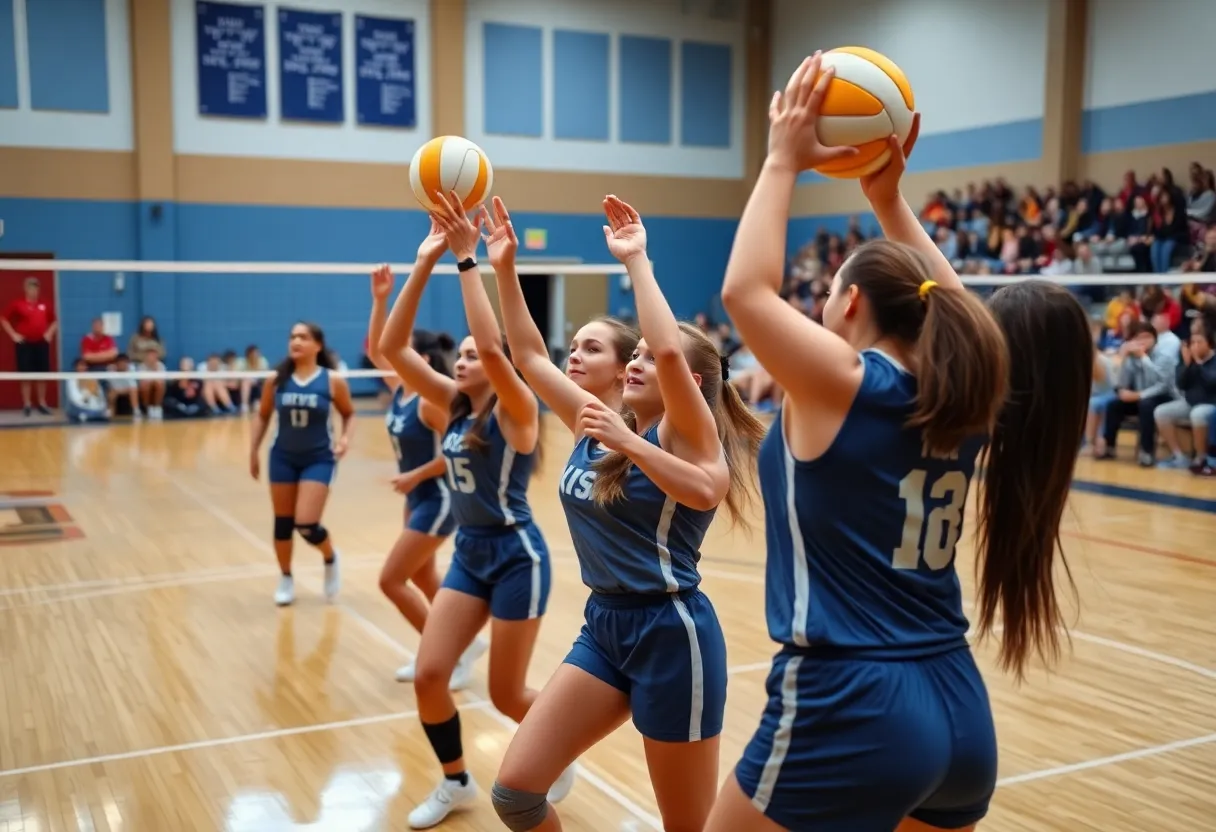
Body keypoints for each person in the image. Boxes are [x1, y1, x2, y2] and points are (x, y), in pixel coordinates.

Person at [704, 53, 1090, 832]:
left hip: (851, 702)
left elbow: (745, 291)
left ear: (848, 303)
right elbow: (961, 317)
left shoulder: (845, 385)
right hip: (956, 705)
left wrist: (783, 158)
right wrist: (887, 199)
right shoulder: (971, 400)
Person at [483, 192, 765, 832]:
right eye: (630, 357)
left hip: (671, 634)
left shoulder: (682, 433)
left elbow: (671, 357)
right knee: (516, 793)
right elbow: (528, 358)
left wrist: (637, 260)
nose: (638, 362)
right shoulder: (598, 422)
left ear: (690, 385)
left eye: (646, 358)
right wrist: (503, 267)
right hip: (604, 626)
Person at [378, 216, 552, 830]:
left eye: (475, 355)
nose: (464, 358)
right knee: (431, 675)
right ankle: (455, 782)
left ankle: (556, 748)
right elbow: (391, 350)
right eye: (462, 354)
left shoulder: (517, 409)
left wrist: (467, 261)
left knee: (507, 695)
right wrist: (425, 259)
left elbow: (498, 347)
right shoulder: (450, 404)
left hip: (516, 556)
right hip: (471, 553)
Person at [366, 265, 487, 690]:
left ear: (421, 358)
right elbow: (380, 348)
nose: (391, 353)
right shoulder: (399, 388)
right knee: (420, 576)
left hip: (437, 499)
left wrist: (415, 473)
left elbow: (457, 452)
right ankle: (464, 641)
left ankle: (445, 653)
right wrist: (381, 299)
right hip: (415, 498)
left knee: (391, 580)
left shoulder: (430, 403)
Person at [249, 322, 353, 607]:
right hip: (282, 456)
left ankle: (331, 557)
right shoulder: (276, 380)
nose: (295, 341)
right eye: (292, 337)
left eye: (303, 337)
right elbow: (262, 415)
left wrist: (345, 439)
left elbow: (349, 414)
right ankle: (285, 577)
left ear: (317, 345)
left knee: (306, 523)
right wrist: (253, 450)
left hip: (319, 458)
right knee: (283, 524)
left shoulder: (332, 380)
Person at [1, 277, 57, 416]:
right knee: (25, 374)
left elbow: (54, 321)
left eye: (36, 288)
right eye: (31, 287)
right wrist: (13, 335)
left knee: (42, 374)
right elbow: (3, 318)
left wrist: (49, 334)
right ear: (26, 289)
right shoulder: (18, 304)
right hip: (24, 344)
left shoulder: (45, 305)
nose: (34, 290)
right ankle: (27, 404)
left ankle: (42, 403)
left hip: (41, 343)